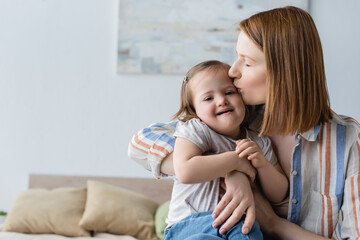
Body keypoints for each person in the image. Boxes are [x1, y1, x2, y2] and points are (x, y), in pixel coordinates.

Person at [128, 6, 360, 239]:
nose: (232, 71)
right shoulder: (231, 121)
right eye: (236, 57)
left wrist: (274, 224)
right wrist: (233, 168)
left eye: (247, 63)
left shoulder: (348, 141)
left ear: (283, 73)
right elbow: (140, 143)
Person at [162, 60, 288, 240]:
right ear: (195, 110)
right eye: (208, 98)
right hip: (186, 226)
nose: (222, 101)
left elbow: (279, 194)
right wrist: (237, 161)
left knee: (248, 231)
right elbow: (185, 171)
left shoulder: (258, 142)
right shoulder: (196, 129)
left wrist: (262, 165)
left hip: (238, 225)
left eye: (229, 92)